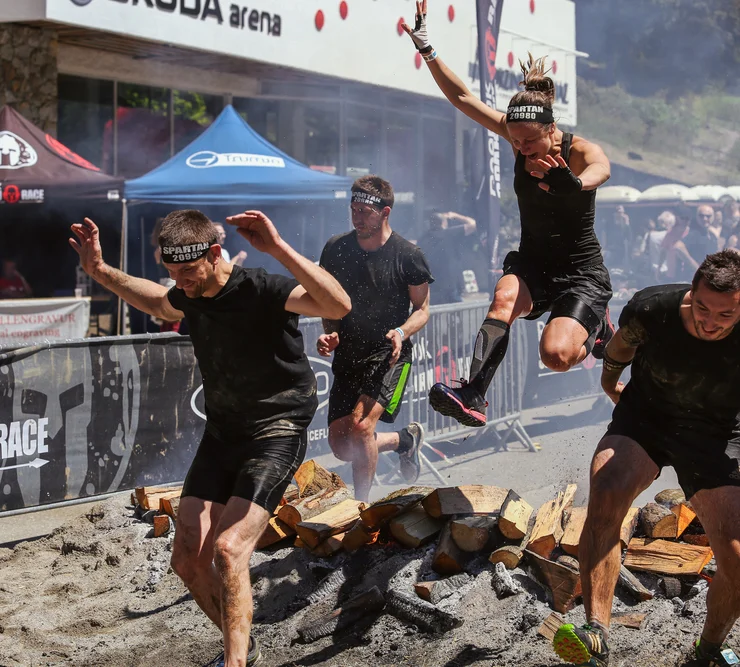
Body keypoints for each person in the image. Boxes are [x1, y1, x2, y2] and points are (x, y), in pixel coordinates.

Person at [69, 209, 351, 667]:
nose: (179, 282)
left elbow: (338, 307)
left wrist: (277, 247)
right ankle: (243, 646)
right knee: (187, 560)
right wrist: (99, 271)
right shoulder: (188, 294)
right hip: (223, 433)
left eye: (187, 271)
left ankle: (234, 662)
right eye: (172, 271)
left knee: (228, 547)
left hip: (276, 431)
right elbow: (158, 302)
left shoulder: (262, 287)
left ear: (214, 253)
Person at [403, 1, 613, 428]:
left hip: (580, 272)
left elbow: (601, 168)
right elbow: (462, 97)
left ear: (552, 130)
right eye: (514, 141)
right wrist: (427, 50)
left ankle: (599, 330)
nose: (520, 149)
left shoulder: (577, 149)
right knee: (501, 299)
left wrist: (577, 183)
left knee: (555, 357)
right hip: (533, 263)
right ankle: (474, 394)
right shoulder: (517, 134)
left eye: (529, 142)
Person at [552, 250, 740, 667]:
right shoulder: (653, 308)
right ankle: (596, 632)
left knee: (737, 558)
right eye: (703, 307)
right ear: (692, 293)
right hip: (647, 417)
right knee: (607, 488)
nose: (710, 321)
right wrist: (609, 383)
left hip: (715, 437)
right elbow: (620, 345)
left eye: (724, 316)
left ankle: (708, 649)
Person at [317, 175, 434, 502]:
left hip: (390, 355)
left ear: (385, 212)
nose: (357, 218)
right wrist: (330, 335)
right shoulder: (336, 249)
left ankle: (361, 506)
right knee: (342, 446)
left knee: (361, 427)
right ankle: (404, 441)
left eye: (364, 212)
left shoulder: (408, 254)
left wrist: (401, 332)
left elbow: (422, 308)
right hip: (348, 353)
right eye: (353, 210)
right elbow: (327, 301)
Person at [417, 210, 477, 305]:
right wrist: (455, 215)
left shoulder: (422, 239)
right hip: (451, 284)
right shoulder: (451, 233)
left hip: (433, 285)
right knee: (457, 312)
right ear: (444, 222)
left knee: (435, 315)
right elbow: (472, 224)